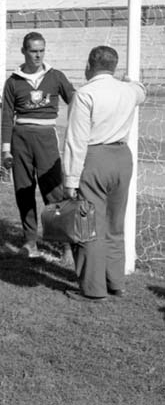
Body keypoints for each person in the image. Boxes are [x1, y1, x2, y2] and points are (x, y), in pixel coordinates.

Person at [62, 46, 146, 302]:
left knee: (88, 225)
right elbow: (142, 90)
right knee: (114, 223)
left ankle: (93, 289)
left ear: (89, 65)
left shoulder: (86, 94)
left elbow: (76, 140)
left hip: (94, 158)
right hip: (122, 157)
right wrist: (130, 80)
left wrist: (70, 178)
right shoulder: (128, 90)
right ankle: (115, 281)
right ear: (114, 67)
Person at [1, 32, 75, 260]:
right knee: (23, 191)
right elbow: (6, 116)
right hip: (20, 138)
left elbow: (75, 100)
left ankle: (66, 245)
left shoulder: (56, 76)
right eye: (33, 51)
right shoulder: (13, 81)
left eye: (42, 50)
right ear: (24, 51)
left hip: (46, 138)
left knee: (54, 192)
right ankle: (30, 241)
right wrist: (5, 149)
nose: (38, 55)